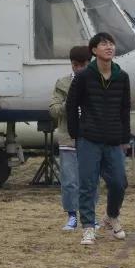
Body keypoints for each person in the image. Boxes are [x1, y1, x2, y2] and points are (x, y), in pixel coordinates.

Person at [66, 32, 132, 247]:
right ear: (94, 50)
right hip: (88, 138)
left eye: (111, 43)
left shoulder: (122, 77)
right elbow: (71, 105)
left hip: (113, 139)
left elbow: (125, 108)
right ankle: (88, 227)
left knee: (119, 182)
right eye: (104, 44)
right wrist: (76, 133)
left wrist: (125, 137)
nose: (109, 47)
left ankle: (111, 216)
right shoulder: (84, 76)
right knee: (88, 184)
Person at [50, 45, 92, 231]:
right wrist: (69, 104)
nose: (79, 68)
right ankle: (72, 216)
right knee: (69, 180)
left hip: (91, 137)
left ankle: (90, 217)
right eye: (76, 65)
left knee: (90, 180)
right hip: (68, 137)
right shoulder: (63, 83)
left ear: (89, 63)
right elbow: (53, 110)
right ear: (71, 65)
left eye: (83, 65)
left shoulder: (97, 82)